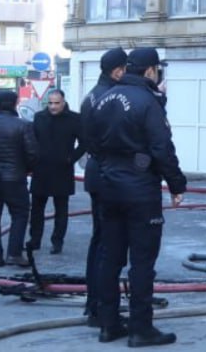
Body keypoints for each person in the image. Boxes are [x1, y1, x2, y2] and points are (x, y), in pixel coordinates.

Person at [89, 47, 186, 347]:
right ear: (150, 71)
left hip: (108, 185)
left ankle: (108, 323)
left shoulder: (103, 98)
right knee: (142, 261)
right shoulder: (148, 101)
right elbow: (161, 147)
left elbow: (92, 141)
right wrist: (176, 184)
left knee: (111, 256)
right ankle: (140, 328)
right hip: (139, 189)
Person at [80, 46, 128, 323]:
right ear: (117, 70)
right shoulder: (112, 98)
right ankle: (101, 306)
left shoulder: (91, 96)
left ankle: (93, 300)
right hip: (109, 174)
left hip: (96, 174)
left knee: (98, 240)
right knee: (109, 244)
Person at [0, 90, 38, 267]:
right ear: (16, 103)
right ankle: (14, 253)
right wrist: (28, 169)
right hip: (15, 177)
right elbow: (32, 153)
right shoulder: (23, 125)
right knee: (20, 214)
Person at [28, 88, 83, 255]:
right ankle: (35, 240)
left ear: (63, 102)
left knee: (61, 209)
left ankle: (57, 242)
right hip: (41, 169)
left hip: (62, 170)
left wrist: (70, 159)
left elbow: (85, 143)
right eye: (50, 103)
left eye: (56, 103)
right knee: (37, 209)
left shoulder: (74, 119)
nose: (53, 106)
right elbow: (32, 141)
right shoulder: (39, 117)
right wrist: (33, 161)